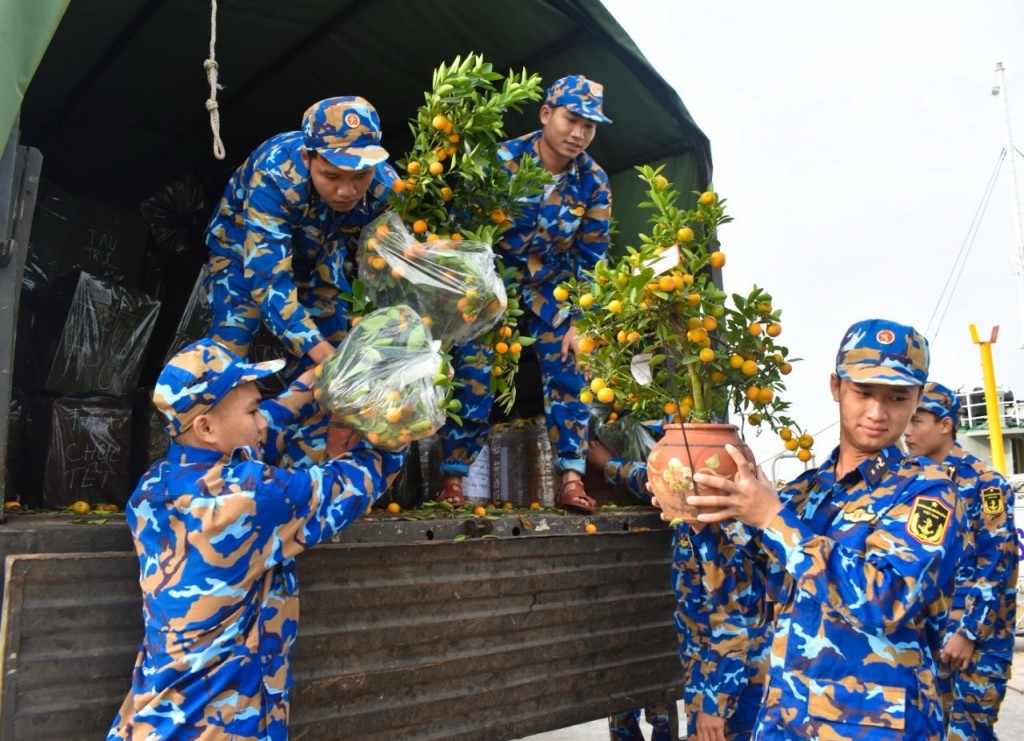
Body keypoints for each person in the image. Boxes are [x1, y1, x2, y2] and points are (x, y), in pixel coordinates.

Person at [671, 318, 966, 740]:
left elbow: (886, 601)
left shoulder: (928, 494)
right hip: (787, 719)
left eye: (897, 398)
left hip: (874, 725)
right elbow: (747, 597)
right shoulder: (803, 494)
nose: (877, 413)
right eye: (863, 393)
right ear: (836, 387)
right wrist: (704, 520)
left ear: (918, 398)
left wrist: (773, 519)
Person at [107, 338, 406, 740]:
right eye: (252, 410)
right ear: (207, 428)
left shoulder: (154, 486)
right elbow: (356, 480)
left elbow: (270, 423)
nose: (263, 420)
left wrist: (331, 368)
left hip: (155, 716)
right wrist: (405, 413)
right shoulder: (247, 498)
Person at [435, 74, 613, 512]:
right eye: (572, 120)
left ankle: (571, 478)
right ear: (547, 114)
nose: (578, 133)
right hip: (492, 285)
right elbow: (463, 234)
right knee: (473, 373)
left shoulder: (594, 182)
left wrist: (580, 321)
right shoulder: (499, 162)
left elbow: (591, 257)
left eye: (589, 126)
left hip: (552, 289)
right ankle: (453, 480)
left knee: (573, 368)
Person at [591, 438, 765, 741]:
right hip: (705, 671)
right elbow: (650, 480)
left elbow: (739, 620)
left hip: (732, 688)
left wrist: (716, 703)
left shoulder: (733, 529)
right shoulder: (691, 520)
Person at [204, 96, 396, 366]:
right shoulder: (274, 175)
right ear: (307, 158)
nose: (347, 191)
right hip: (244, 250)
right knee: (232, 342)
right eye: (332, 176)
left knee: (340, 345)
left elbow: (402, 254)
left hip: (320, 257)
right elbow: (268, 278)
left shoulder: (387, 186)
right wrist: (322, 355)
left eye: (360, 176)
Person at [904, 382, 1019, 740]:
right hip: (926, 635)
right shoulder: (910, 481)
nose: (907, 431)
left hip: (976, 642)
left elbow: (997, 564)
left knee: (968, 732)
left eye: (917, 421)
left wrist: (969, 633)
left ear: (946, 424)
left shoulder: (985, 483)